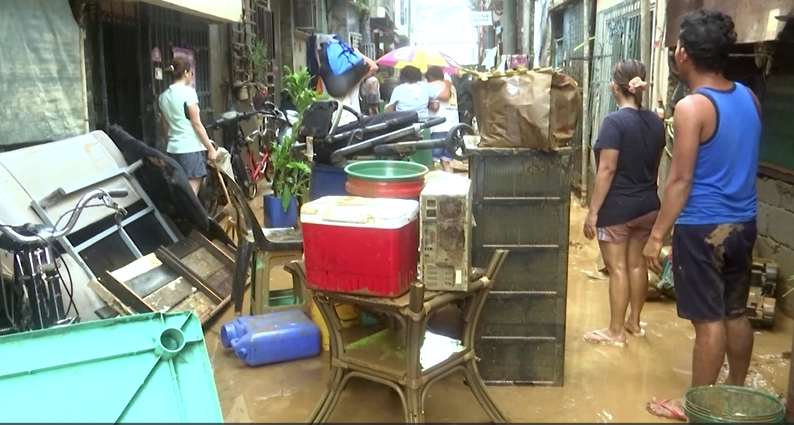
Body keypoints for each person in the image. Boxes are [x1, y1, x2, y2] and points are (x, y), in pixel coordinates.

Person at [642, 10, 761, 421]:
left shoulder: (692, 107)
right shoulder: (750, 98)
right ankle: (737, 393)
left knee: (708, 322)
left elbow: (679, 181)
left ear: (683, 55)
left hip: (703, 228)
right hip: (743, 223)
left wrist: (656, 236)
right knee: (735, 312)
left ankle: (697, 407)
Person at [582, 59, 665, 348]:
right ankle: (634, 323)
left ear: (615, 88)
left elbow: (606, 170)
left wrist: (593, 212)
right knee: (636, 265)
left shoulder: (614, 122)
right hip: (648, 205)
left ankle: (615, 331)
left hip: (618, 208)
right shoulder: (656, 121)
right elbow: (654, 166)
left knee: (616, 268)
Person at [158, 56, 217, 195]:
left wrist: (170, 142)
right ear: (185, 73)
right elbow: (196, 123)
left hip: (173, 149)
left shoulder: (163, 97)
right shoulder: (189, 93)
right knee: (191, 194)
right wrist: (210, 149)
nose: (191, 75)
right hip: (190, 148)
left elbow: (164, 124)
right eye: (191, 72)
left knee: (179, 191)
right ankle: (190, 217)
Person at [326, 49, 378, 125]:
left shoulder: (329, 79)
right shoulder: (354, 80)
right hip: (353, 121)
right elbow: (374, 66)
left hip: (335, 122)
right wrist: (357, 52)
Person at [384, 65, 450, 119]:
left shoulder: (398, 89)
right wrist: (448, 83)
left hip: (404, 123)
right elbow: (445, 96)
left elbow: (389, 110)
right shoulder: (426, 86)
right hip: (423, 123)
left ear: (402, 77)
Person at [426, 66, 459, 173]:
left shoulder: (431, 86)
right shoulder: (451, 87)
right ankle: (451, 187)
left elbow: (435, 107)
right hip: (452, 127)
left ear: (430, 77)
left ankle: (431, 187)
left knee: (431, 163)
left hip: (437, 128)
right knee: (446, 162)